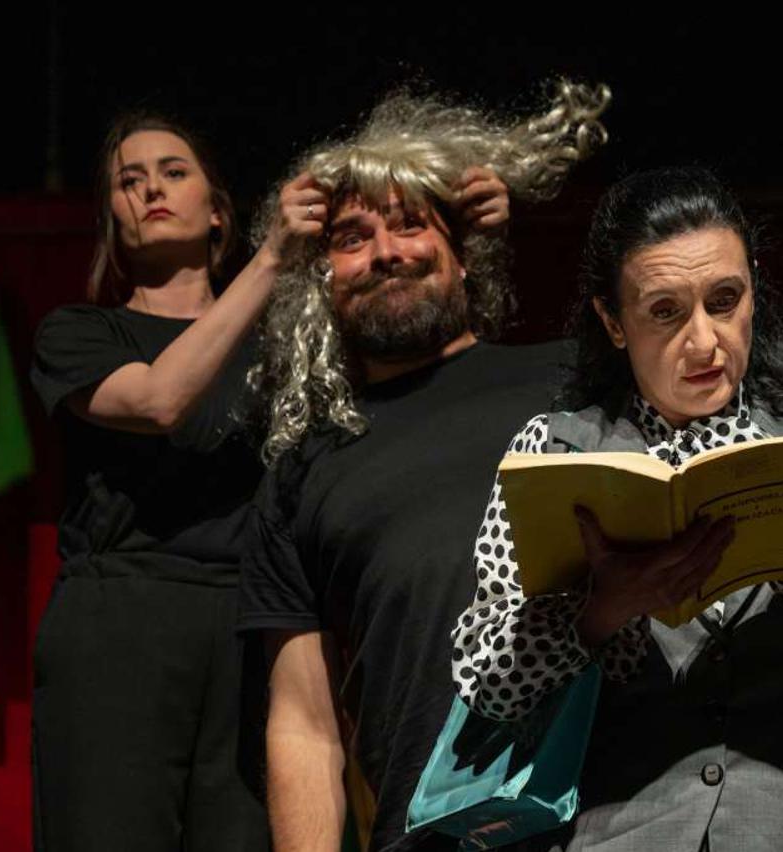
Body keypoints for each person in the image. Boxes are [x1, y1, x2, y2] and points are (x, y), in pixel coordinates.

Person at [28, 112, 509, 852]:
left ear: (218, 210)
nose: (151, 188)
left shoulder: (292, 341)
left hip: (257, 625)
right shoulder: (79, 333)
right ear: (111, 219)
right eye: (129, 180)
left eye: (173, 172)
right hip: (123, 620)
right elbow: (162, 401)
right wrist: (271, 258)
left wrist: (470, 229)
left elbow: (406, 323)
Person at [451, 167, 783, 851]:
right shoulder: (554, 452)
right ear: (613, 321)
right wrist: (602, 609)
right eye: (665, 311)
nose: (704, 342)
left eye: (724, 301)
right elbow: (486, 684)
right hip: (623, 829)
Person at [236, 81, 609, 852]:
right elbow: (304, 723)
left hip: (621, 817)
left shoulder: (573, 378)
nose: (387, 253)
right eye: (352, 238)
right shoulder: (305, 467)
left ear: (464, 256)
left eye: (412, 224)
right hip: (433, 832)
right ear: (320, 281)